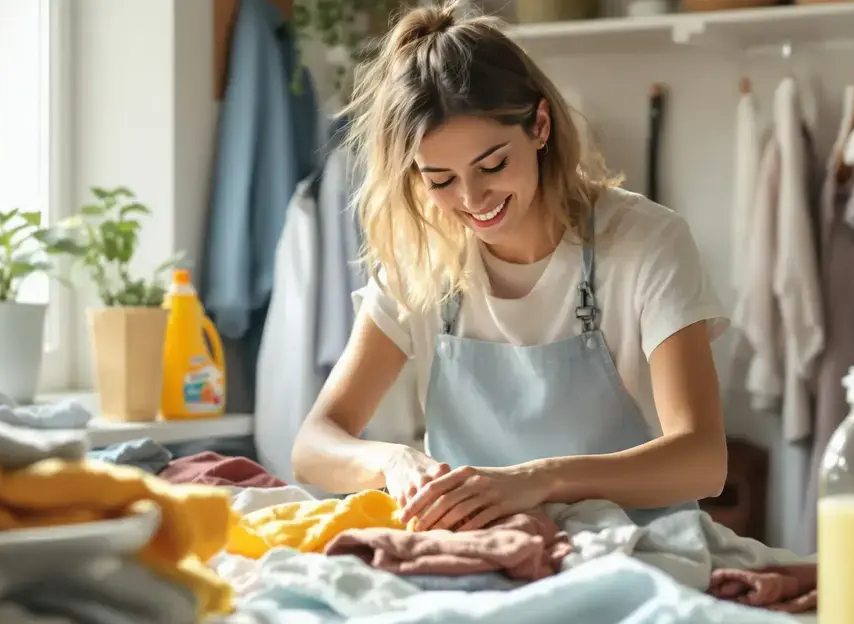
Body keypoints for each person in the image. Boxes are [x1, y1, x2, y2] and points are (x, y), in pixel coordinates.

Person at [291, 1, 730, 533]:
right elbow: (314, 444)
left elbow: (703, 461)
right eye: (440, 179)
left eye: (492, 164)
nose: (473, 199)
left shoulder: (645, 243)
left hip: (632, 548)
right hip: (482, 554)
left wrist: (540, 479)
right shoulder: (422, 259)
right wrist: (394, 462)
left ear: (539, 125)